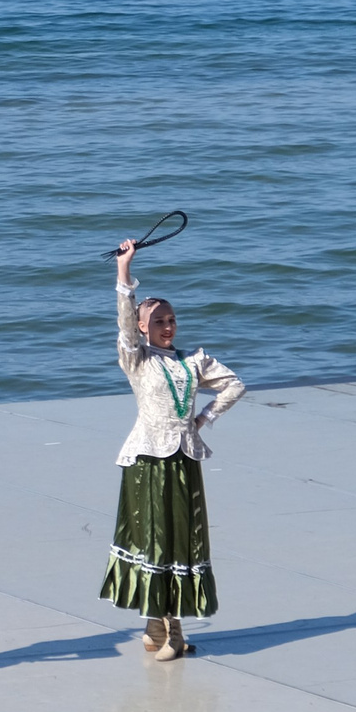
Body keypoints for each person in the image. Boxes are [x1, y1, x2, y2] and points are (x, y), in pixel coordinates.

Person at [103, 237, 246, 661]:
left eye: (172, 319)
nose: (168, 326)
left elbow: (234, 385)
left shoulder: (193, 361)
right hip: (146, 460)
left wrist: (204, 420)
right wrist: (124, 271)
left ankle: (172, 629)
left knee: (181, 541)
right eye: (159, 320)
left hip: (184, 460)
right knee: (152, 540)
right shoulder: (138, 358)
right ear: (144, 327)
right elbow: (124, 324)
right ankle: (157, 625)